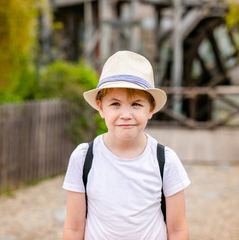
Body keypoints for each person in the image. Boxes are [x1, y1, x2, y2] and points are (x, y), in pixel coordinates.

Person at [62, 50, 190, 240]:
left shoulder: (165, 161)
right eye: (115, 104)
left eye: (136, 104)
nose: (126, 114)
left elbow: (178, 230)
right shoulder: (83, 158)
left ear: (151, 108)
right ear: (100, 106)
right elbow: (73, 229)